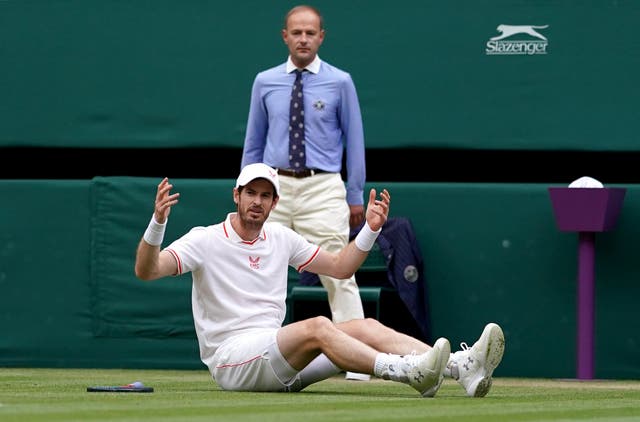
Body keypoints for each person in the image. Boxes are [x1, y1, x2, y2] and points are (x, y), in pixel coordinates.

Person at [134, 163, 506, 397]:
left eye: (266, 195)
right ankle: (408, 372)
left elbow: (342, 267)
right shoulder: (204, 239)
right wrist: (158, 223)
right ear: (237, 195)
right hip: (233, 363)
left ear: (275, 203)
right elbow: (147, 270)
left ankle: (461, 367)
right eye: (251, 193)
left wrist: (370, 231)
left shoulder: (281, 238)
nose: (257, 202)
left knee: (363, 325)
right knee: (317, 326)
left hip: (280, 360)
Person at [240, 5, 368, 381]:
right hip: (273, 186)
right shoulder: (265, 81)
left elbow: (355, 140)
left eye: (310, 33)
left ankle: (357, 362)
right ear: (285, 36)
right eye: (296, 32)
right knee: (256, 267)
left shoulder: (340, 81)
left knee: (340, 272)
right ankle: (252, 352)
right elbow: (254, 140)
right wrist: (246, 189)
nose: (303, 39)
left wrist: (354, 193)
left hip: (323, 185)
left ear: (321, 37)